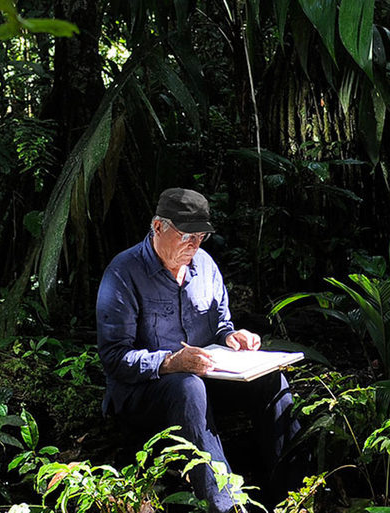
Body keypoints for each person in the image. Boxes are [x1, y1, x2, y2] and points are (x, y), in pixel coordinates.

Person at [96, 188, 299, 513]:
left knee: (272, 381)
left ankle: (295, 495)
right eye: (186, 235)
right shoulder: (123, 273)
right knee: (187, 386)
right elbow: (114, 358)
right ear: (158, 227)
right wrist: (170, 362)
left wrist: (234, 337)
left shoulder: (204, 265)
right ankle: (227, 505)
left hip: (205, 381)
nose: (194, 245)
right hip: (144, 393)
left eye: (201, 236)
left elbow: (221, 324)